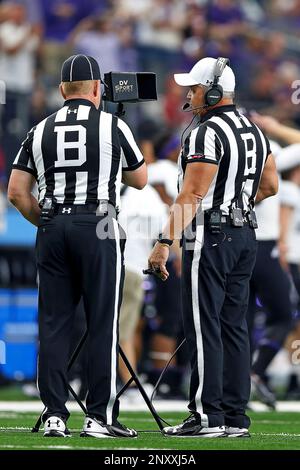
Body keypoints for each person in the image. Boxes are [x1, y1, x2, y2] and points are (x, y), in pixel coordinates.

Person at [7, 54, 147, 438]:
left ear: (61, 91)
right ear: (98, 89)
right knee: (102, 322)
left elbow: (17, 192)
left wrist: (48, 221)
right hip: (98, 223)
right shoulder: (112, 125)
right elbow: (140, 179)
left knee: (54, 325)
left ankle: (54, 413)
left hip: (53, 225)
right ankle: (98, 416)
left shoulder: (39, 129)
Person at [148, 57, 278, 437]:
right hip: (244, 235)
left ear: (215, 91)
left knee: (204, 325)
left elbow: (192, 193)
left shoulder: (206, 132)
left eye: (195, 88)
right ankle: (234, 417)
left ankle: (207, 416)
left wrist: (163, 241)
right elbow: (269, 185)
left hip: (211, 234)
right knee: (234, 326)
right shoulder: (254, 130)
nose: (190, 95)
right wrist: (236, 203)